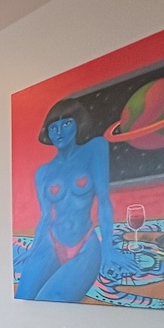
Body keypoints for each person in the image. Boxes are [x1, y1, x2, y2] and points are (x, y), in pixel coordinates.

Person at [16, 98, 135, 302]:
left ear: (78, 123)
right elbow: (45, 216)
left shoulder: (95, 148)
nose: (59, 132)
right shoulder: (43, 172)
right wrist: (34, 250)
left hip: (85, 243)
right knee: (22, 298)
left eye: (66, 123)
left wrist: (108, 248)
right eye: (53, 127)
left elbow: (104, 201)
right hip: (51, 241)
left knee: (48, 300)